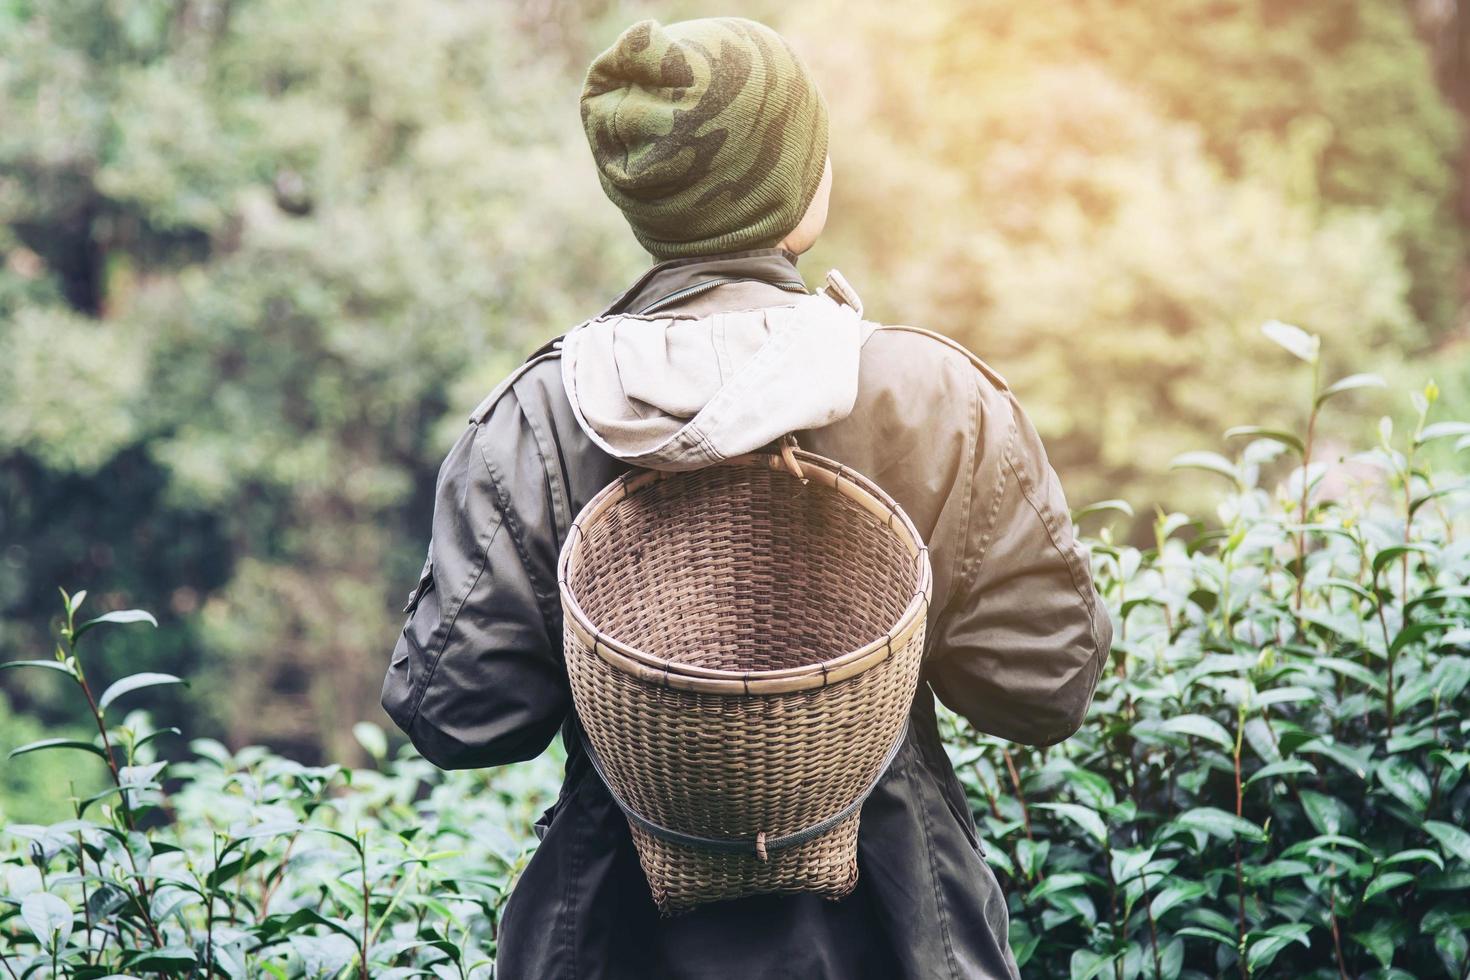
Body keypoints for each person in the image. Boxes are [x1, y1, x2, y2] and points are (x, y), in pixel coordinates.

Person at [382, 16, 1111, 979]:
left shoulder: (538, 422)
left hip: (609, 946)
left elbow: (460, 714)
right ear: (797, 193)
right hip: (905, 942)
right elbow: (1045, 687)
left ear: (640, 201)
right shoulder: (931, 399)